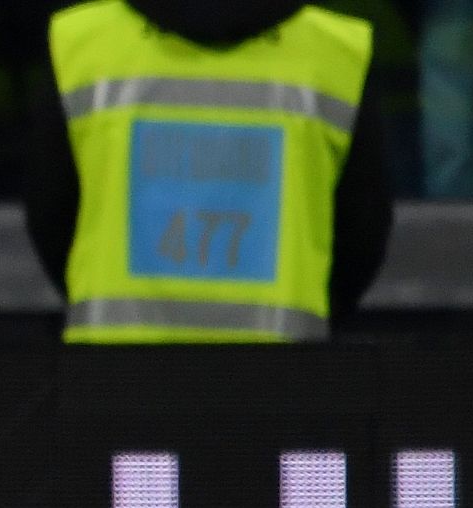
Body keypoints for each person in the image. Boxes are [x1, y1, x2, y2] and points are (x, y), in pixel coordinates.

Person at [24, 0, 394, 343]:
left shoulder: (81, 42)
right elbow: (362, 232)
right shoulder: (337, 52)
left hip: (115, 380)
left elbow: (50, 213)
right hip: (279, 382)